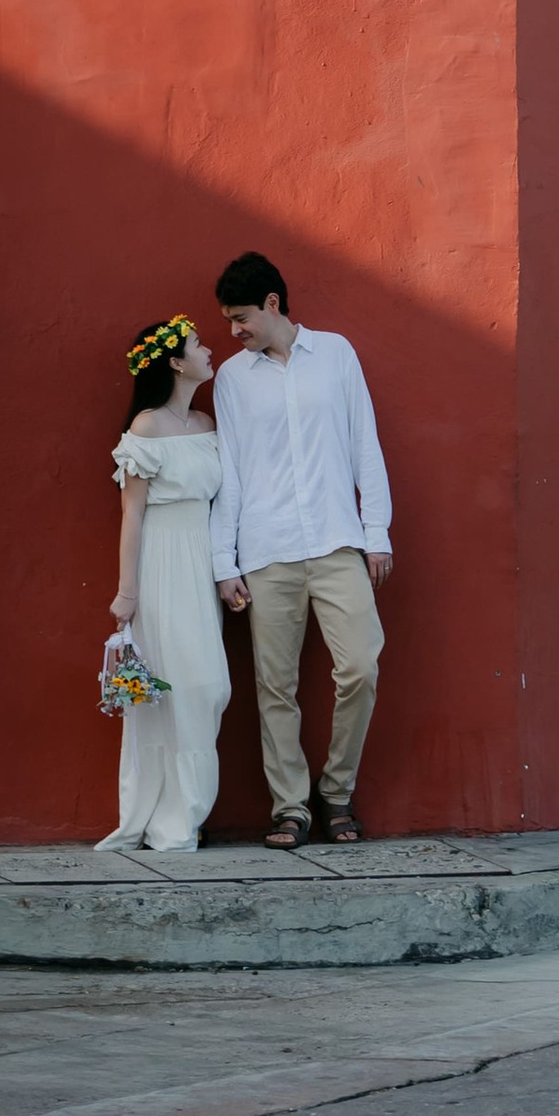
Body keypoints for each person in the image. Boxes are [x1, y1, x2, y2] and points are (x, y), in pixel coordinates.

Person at [209, 251, 392, 849]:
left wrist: (376, 532)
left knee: (361, 665)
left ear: (272, 304)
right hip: (267, 548)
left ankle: (336, 791)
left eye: (240, 318)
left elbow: (365, 441)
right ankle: (291, 806)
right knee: (275, 685)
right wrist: (224, 563)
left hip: (338, 540)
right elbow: (229, 471)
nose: (233, 332)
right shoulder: (234, 379)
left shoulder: (336, 353)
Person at [99, 314, 230, 852]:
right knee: (174, 691)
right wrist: (127, 592)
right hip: (161, 563)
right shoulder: (147, 428)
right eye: (199, 344)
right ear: (175, 362)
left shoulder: (205, 425)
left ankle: (184, 811)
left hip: (203, 561)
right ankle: (170, 820)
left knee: (208, 687)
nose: (208, 350)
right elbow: (132, 515)